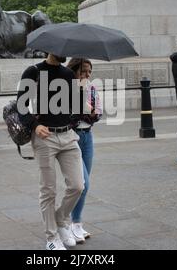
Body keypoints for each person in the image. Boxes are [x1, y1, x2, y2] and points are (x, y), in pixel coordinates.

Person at [17, 53, 84, 250]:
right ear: (49, 49)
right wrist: (34, 125)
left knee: (78, 186)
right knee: (48, 190)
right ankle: (51, 237)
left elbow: (76, 105)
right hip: (45, 138)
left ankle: (61, 219)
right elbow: (21, 106)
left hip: (68, 136)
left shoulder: (68, 74)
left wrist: (81, 89)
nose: (64, 54)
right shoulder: (34, 72)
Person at [67, 58, 102, 243]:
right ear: (74, 71)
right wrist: (85, 109)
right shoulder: (65, 90)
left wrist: (91, 113)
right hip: (71, 138)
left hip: (87, 137)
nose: (87, 75)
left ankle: (76, 224)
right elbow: (67, 115)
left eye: (89, 72)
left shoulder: (92, 89)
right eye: (83, 71)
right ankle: (69, 223)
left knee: (82, 185)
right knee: (83, 184)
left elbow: (98, 112)